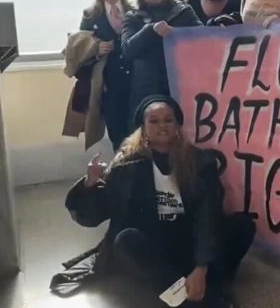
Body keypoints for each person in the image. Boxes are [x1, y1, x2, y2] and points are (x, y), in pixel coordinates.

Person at [57, 95, 255, 308]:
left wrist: (201, 266)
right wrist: (89, 186)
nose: (162, 126)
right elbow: (92, 217)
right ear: (142, 129)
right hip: (154, 243)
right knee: (125, 241)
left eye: (168, 120)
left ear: (177, 126)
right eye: (154, 121)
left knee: (242, 225)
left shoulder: (200, 162)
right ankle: (188, 297)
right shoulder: (126, 165)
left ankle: (205, 282)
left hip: (189, 240)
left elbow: (208, 216)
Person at [63, 0, 134, 152]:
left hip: (137, 83)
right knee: (118, 136)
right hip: (109, 87)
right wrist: (96, 48)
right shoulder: (90, 16)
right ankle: (123, 176)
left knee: (140, 133)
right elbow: (79, 50)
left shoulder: (135, 10)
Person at [121, 0, 202, 119]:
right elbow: (128, 49)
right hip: (147, 89)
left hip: (182, 85)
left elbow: (203, 39)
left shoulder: (183, 10)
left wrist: (176, 34)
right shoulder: (132, 17)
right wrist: (150, 30)